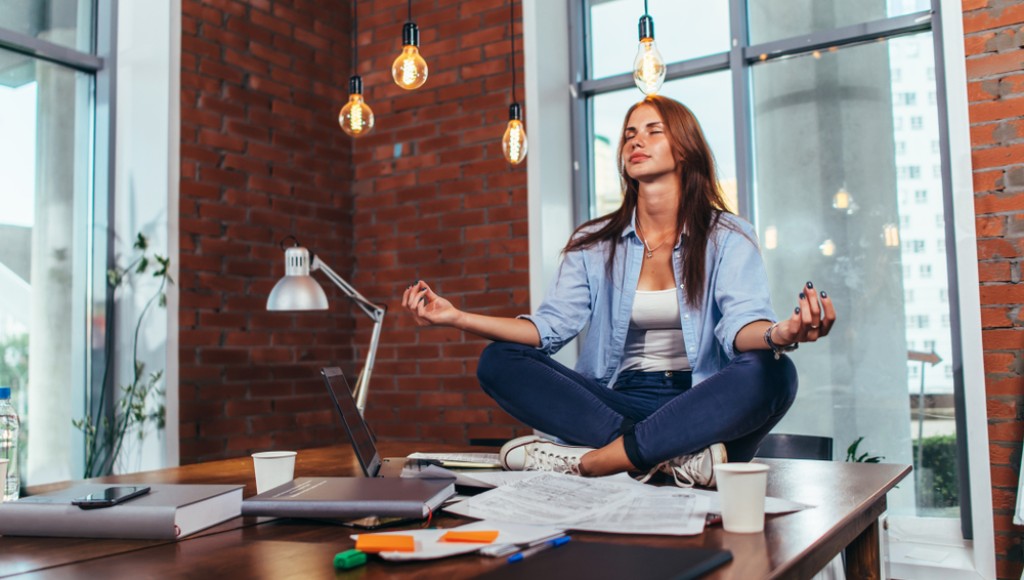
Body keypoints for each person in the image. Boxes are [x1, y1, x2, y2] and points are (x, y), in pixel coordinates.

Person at [401, 95, 835, 487]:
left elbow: (741, 324)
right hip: (615, 402)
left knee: (774, 372)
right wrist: (456, 317)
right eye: (629, 135)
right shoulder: (594, 243)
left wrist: (781, 334)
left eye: (652, 131)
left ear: (683, 148)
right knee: (498, 359)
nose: (635, 142)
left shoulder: (728, 235)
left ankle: (597, 461)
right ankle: (671, 458)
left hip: (702, 402)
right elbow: (548, 329)